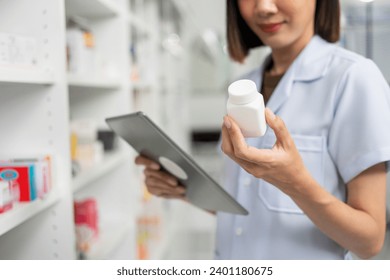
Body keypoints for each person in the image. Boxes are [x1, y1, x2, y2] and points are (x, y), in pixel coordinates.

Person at [135, 0, 390, 259]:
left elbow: (369, 241)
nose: (264, 7)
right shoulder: (242, 85)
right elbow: (252, 209)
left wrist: (295, 183)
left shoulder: (354, 77)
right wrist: (186, 189)